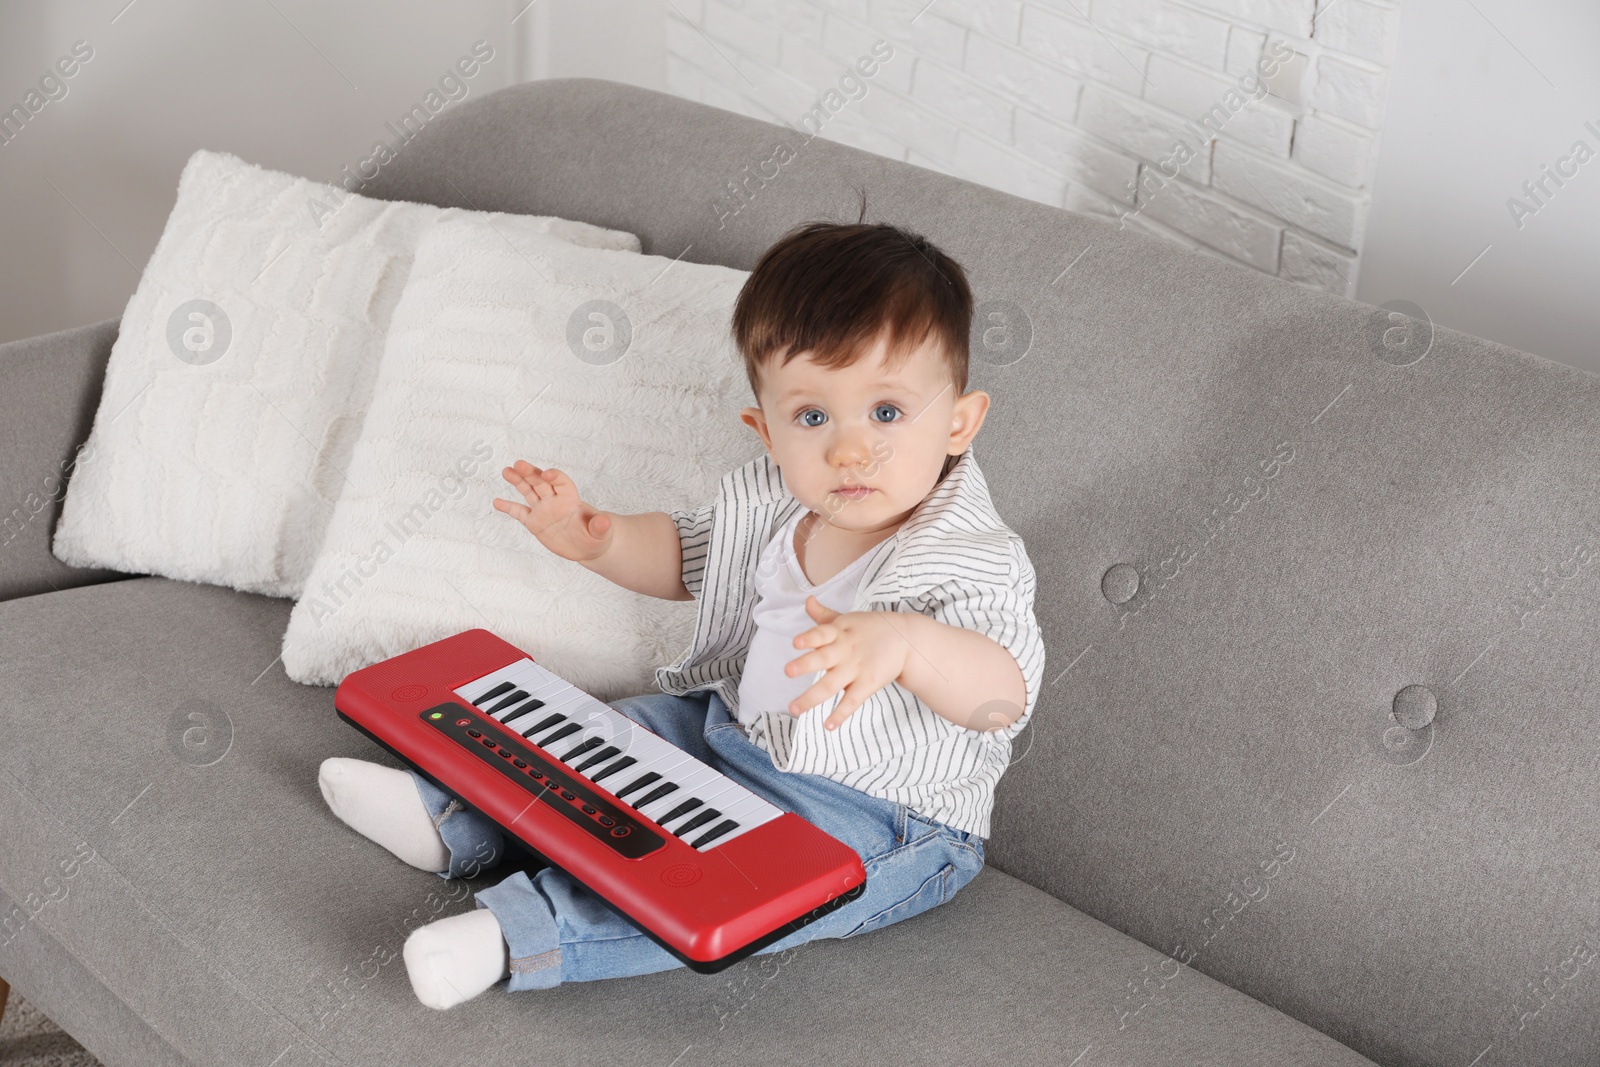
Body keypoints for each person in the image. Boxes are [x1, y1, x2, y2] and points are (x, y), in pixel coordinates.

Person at [317, 212, 1047, 1008]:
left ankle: (519, 932)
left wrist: (908, 643)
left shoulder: (973, 554)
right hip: (728, 730)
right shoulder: (773, 507)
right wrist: (596, 540)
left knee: (726, 888)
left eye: (886, 412)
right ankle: (451, 816)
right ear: (765, 432)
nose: (848, 449)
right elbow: (690, 558)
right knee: (607, 734)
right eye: (812, 417)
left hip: (881, 814)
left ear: (959, 423)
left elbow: (1001, 693)